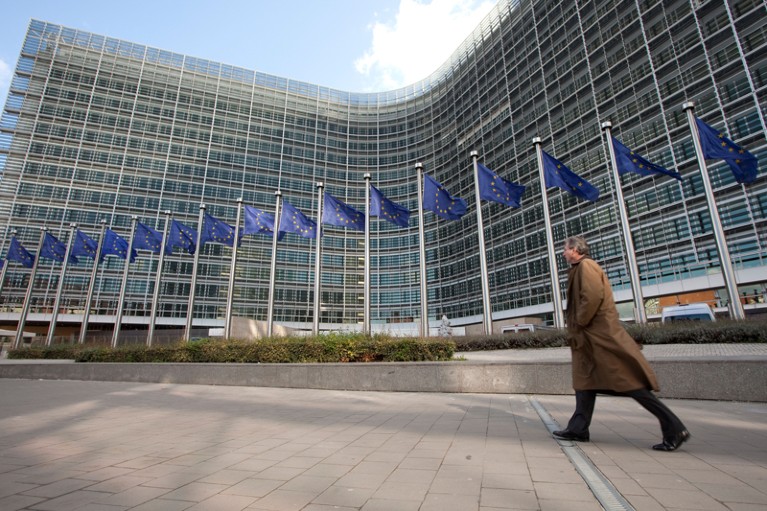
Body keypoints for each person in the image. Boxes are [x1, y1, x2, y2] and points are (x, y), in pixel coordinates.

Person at [552, 236, 690, 452]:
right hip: (590, 338)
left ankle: (674, 427)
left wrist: (579, 322)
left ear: (576, 250)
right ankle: (578, 428)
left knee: (630, 383)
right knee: (585, 383)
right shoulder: (580, 268)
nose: (563, 253)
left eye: (565, 249)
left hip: (600, 338)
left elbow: (592, 297)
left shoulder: (587, 266)